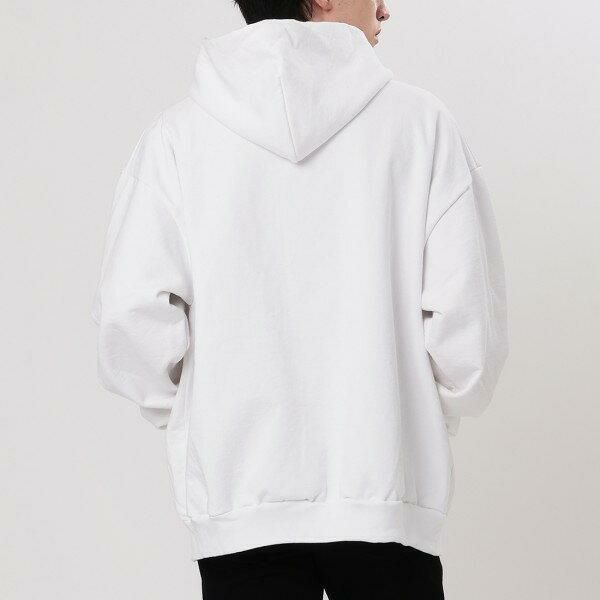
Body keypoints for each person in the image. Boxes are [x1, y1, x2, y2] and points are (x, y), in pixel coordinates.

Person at [92, 1, 509, 598]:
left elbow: (131, 325)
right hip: (387, 503)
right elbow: (468, 338)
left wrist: (203, 420)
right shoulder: (422, 126)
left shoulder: (176, 139)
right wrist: (408, 417)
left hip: (240, 507)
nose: (385, 7)